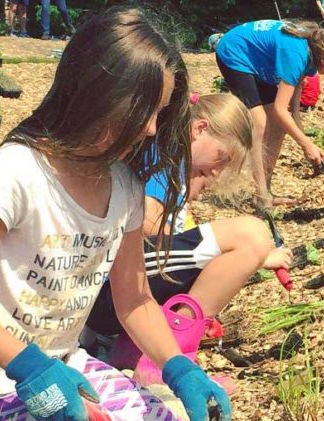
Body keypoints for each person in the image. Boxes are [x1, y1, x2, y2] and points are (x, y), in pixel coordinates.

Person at [0, 6, 230, 421]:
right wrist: (28, 367)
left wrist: (179, 369)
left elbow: (134, 299)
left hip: (67, 364)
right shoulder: (17, 174)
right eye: (145, 112)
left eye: (161, 113)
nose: (153, 130)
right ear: (97, 95)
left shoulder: (124, 187)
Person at [84, 92, 292, 362]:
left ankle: (139, 351)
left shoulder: (178, 166)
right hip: (111, 285)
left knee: (232, 252)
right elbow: (146, 221)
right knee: (250, 236)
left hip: (112, 290)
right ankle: (167, 356)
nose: (217, 172)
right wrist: (225, 253)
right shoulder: (169, 155)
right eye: (221, 156)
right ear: (199, 129)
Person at [215, 20, 324, 207]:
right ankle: (261, 196)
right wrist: (306, 143)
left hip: (260, 62)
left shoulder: (314, 52)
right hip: (235, 53)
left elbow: (297, 83)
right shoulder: (298, 53)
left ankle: (265, 190)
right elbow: (279, 109)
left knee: (277, 126)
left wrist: (297, 121)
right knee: (259, 123)